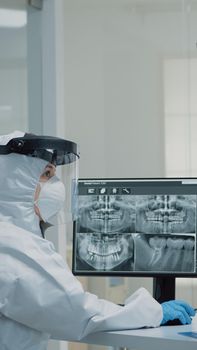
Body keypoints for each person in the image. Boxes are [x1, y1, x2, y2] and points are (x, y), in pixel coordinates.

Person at [0, 131, 195, 350]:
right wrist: (155, 312)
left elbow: (51, 310)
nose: (56, 186)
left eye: (55, 175)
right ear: (15, 181)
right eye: (46, 174)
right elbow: (77, 312)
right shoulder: (13, 245)